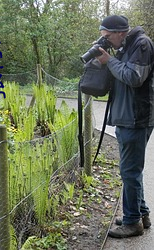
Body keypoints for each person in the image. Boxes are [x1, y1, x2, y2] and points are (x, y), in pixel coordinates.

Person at [96, 15, 154, 238]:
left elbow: (133, 77)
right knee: (131, 171)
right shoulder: (125, 46)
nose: (107, 41)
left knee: (129, 171)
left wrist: (109, 61)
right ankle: (141, 214)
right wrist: (106, 59)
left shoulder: (142, 44)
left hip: (136, 118)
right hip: (126, 117)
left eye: (108, 37)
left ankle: (132, 223)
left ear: (120, 32)